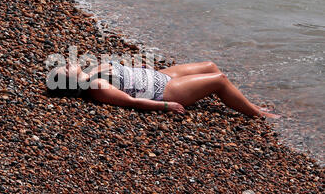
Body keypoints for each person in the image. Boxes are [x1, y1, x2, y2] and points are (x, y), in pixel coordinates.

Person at [49, 60, 280, 119]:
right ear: (71, 82)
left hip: (157, 75)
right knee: (219, 79)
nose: (67, 64)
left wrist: (141, 69)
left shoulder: (93, 70)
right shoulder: (96, 86)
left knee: (210, 65)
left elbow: (126, 74)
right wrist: (165, 106)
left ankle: (243, 102)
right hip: (164, 90)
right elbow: (131, 102)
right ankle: (257, 113)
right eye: (64, 70)